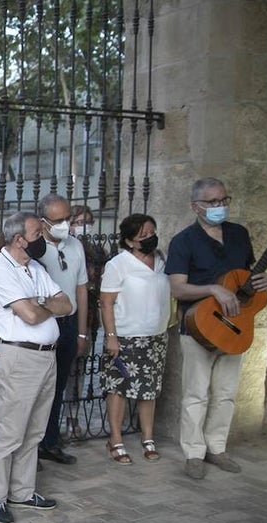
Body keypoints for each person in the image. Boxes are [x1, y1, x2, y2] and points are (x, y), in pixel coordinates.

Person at [166, 177, 267, 479]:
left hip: (235, 326)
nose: (220, 206)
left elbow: (247, 276)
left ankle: (217, 448)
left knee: (226, 393)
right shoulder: (182, 241)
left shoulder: (239, 234)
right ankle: (194, 453)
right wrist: (213, 289)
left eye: (224, 200)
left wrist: (263, 281)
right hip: (198, 326)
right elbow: (178, 289)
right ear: (195, 206)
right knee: (196, 393)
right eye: (213, 202)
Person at [0, 212, 71, 523]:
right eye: (37, 232)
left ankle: (22, 491)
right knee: (9, 432)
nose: (42, 237)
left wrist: (38, 301)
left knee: (34, 430)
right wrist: (43, 304)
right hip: (20, 358)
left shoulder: (35, 267)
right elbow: (30, 316)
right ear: (19, 239)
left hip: (47, 357)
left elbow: (67, 305)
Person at [99, 214, 171, 465]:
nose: (150, 237)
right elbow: (106, 303)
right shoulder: (119, 264)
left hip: (156, 336)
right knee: (119, 388)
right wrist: (111, 337)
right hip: (126, 337)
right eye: (143, 235)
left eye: (152, 232)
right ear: (129, 241)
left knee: (149, 389)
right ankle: (116, 439)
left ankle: (148, 437)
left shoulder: (162, 260)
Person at [32, 194, 87, 466]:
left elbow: (81, 289)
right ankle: (30, 448)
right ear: (42, 222)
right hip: (42, 324)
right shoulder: (33, 249)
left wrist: (82, 332)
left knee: (58, 386)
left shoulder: (75, 245)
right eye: (57, 220)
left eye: (67, 218)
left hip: (68, 324)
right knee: (37, 388)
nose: (64, 224)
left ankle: (50, 442)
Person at [65, 204, 108, 438]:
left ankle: (72, 417)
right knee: (59, 371)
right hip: (64, 316)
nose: (83, 227)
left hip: (89, 317)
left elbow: (103, 283)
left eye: (87, 222)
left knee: (78, 371)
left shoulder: (97, 251)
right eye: (79, 222)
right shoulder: (63, 248)